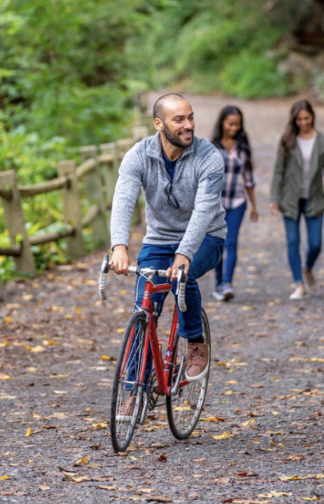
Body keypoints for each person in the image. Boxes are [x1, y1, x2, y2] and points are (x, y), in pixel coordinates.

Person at [109, 93, 226, 420]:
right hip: (159, 240)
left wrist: (184, 254)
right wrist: (119, 244)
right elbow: (123, 199)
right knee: (143, 307)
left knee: (181, 277)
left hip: (206, 237)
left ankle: (195, 341)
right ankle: (134, 391)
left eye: (190, 117)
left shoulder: (209, 157)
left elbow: (204, 213)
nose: (188, 124)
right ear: (159, 124)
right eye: (179, 120)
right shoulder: (139, 155)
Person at [269, 99, 324, 301]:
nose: (303, 122)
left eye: (306, 118)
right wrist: (274, 198)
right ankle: (299, 284)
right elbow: (278, 171)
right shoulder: (287, 139)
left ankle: (307, 267)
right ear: (294, 120)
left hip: (314, 198)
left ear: (312, 117)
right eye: (299, 119)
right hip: (290, 199)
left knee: (316, 244)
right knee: (292, 241)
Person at [210, 105, 259, 302]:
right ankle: (218, 283)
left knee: (231, 241)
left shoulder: (243, 148)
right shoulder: (211, 146)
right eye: (230, 124)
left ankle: (227, 283)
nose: (234, 128)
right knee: (218, 243)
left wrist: (254, 205)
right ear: (222, 122)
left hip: (238, 202)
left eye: (237, 125)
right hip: (215, 204)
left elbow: (248, 178)